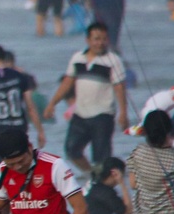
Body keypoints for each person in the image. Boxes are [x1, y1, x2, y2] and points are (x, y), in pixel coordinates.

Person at [51, 24, 130, 176]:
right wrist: (52, 103)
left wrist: (123, 113)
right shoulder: (77, 58)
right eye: (96, 39)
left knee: (101, 156)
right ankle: (91, 175)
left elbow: (120, 88)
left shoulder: (113, 60)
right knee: (71, 149)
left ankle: (103, 182)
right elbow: (67, 82)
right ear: (88, 40)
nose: (100, 42)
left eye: (103, 39)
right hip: (80, 114)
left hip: (103, 115)